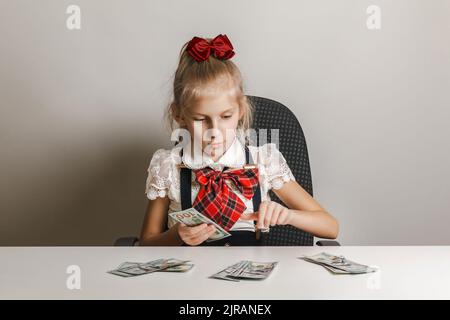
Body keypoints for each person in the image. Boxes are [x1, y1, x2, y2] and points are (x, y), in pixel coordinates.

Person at [140, 34, 339, 246]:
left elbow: (330, 227)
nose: (214, 131)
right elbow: (145, 244)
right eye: (200, 119)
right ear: (179, 115)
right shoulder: (168, 167)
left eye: (226, 117)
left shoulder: (263, 161)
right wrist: (176, 236)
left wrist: (288, 215)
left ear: (241, 110)